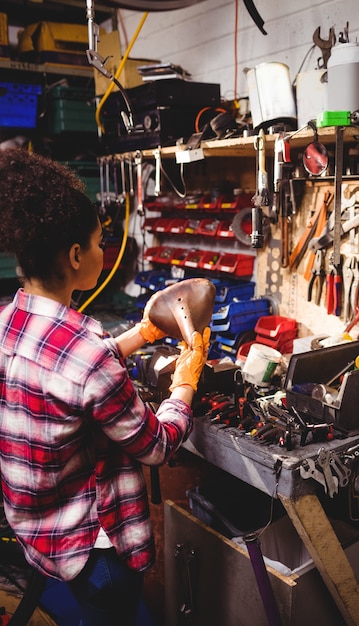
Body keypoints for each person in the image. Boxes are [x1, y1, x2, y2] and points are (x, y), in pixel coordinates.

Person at [0, 147, 210, 625]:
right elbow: (156, 446)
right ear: (76, 257)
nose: (104, 252)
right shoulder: (86, 350)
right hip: (97, 551)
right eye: (99, 243)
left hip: (40, 530)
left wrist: (140, 335)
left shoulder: (9, 321)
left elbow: (64, 377)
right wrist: (185, 382)